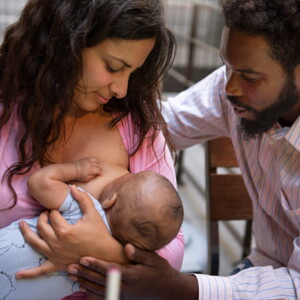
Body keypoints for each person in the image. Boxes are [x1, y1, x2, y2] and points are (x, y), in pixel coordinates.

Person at [40, 0, 299, 299]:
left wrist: (181, 287)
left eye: (251, 77)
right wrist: (88, 99)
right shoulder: (234, 90)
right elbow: (159, 123)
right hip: (259, 268)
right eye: (226, 67)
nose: (230, 88)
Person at [0, 0, 184, 299]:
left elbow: (173, 249)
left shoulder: (136, 128)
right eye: (113, 67)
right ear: (66, 44)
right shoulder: (6, 114)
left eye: (133, 72)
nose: (122, 90)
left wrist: (100, 250)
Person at [0, 157, 183, 300]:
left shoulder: (86, 207)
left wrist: (76, 169)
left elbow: (39, 182)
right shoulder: (101, 270)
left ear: (110, 199)